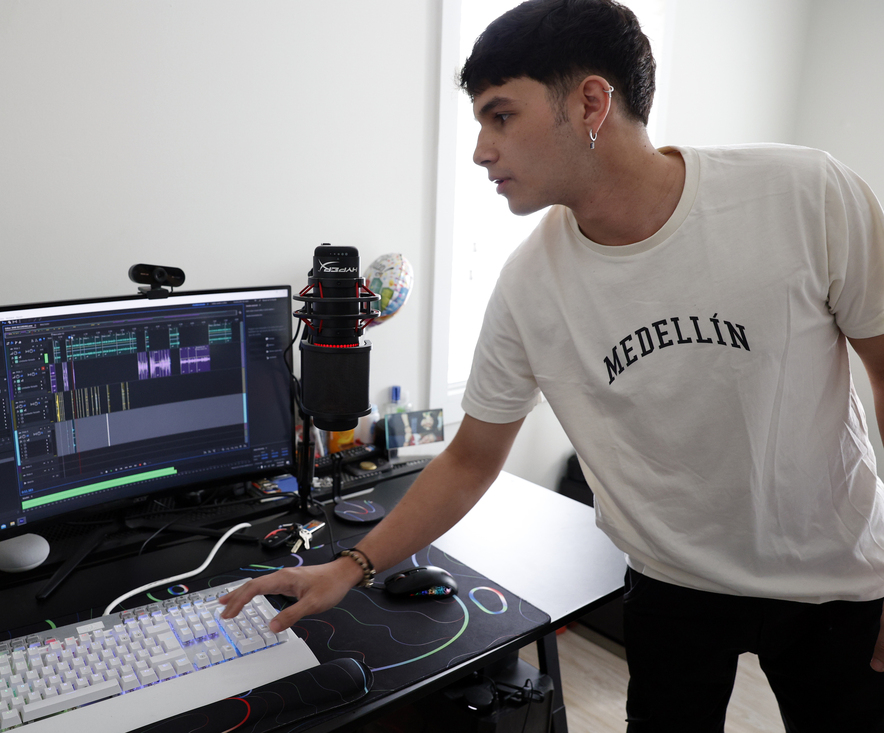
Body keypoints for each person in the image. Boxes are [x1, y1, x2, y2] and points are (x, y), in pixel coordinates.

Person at [221, 0, 884, 729]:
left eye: (500, 116)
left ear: (591, 103)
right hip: (673, 585)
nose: (480, 149)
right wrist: (351, 567)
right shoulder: (531, 282)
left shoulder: (805, 195)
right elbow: (471, 457)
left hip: (840, 575)